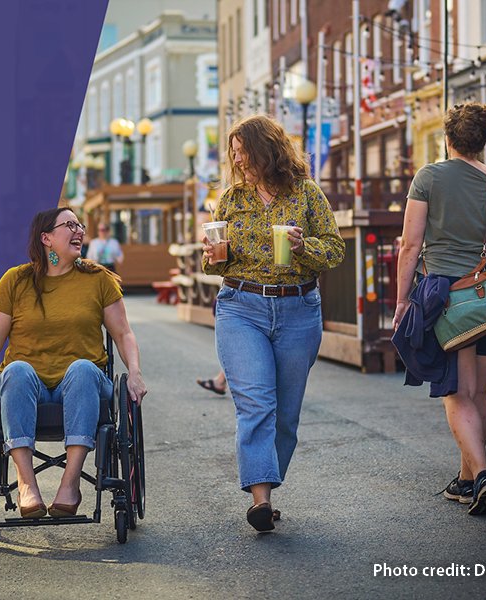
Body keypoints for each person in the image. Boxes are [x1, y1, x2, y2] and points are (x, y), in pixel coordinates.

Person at [0, 208, 147, 519]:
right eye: (69, 225)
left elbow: (123, 333)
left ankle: (71, 483)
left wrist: (134, 373)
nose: (78, 230)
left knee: (82, 368)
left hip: (82, 386)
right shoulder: (15, 281)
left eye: (80, 224)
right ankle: (27, 484)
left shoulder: (98, 280)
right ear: (47, 238)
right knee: (16, 370)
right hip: (28, 389)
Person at [200, 114, 344, 532]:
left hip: (299, 309)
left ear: (268, 149)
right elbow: (213, 263)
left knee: (285, 414)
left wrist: (302, 246)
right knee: (256, 404)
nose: (239, 160)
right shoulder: (231, 199)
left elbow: (334, 250)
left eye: (244, 151)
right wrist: (211, 257)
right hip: (240, 306)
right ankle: (260, 500)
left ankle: (265, 484)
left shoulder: (307, 195)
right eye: (235, 153)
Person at [392, 103, 486, 516]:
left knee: (457, 391)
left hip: (449, 295)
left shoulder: (429, 178)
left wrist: (403, 300)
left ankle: (485, 475)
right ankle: (468, 478)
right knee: (478, 390)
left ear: (448, 138)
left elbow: (410, 246)